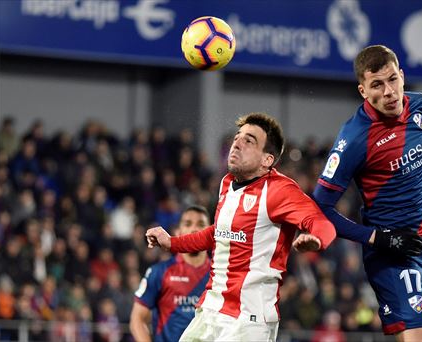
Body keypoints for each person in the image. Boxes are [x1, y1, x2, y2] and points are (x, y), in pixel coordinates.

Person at [312, 45, 422, 341]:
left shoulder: (420, 106)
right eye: (377, 85)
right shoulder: (354, 139)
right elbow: (320, 207)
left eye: (393, 79)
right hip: (392, 254)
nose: (389, 91)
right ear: (363, 91)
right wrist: (379, 238)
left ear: (402, 76)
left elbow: (420, 172)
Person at [145, 112, 336, 342]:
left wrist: (316, 239)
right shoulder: (227, 183)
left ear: (267, 159)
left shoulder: (279, 190)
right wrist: (173, 243)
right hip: (210, 310)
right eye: (238, 137)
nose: (237, 143)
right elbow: (219, 233)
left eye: (249, 141)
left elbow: (323, 224)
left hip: (249, 320)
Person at [130, 205, 212, 342]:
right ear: (178, 231)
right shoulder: (159, 272)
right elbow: (137, 319)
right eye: (188, 224)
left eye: (201, 224)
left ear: (210, 233)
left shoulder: (221, 274)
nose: (194, 229)